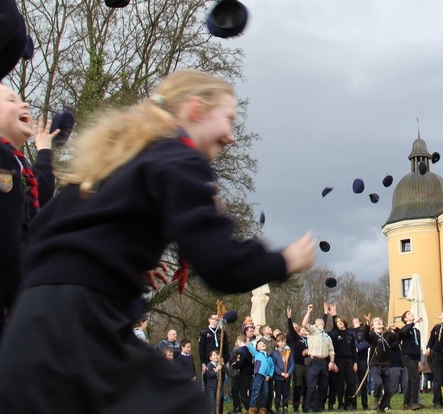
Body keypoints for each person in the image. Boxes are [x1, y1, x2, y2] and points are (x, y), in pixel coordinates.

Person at [0, 70, 317, 413]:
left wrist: (120, 262)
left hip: (28, 332)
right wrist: (284, 261)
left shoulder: (117, 162)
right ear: (196, 110)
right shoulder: (180, 158)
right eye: (227, 119)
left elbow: (45, 228)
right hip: (80, 331)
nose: (230, 136)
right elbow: (221, 265)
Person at [0, 85, 57, 339]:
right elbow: (6, 237)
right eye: (12, 100)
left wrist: (43, 148)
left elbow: (39, 192)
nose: (25, 105)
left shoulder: (16, 162)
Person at [302, 304, 335, 413]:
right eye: (318, 321)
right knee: (311, 386)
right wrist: (309, 312)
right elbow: (304, 324)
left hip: (324, 362)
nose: (321, 321)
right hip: (313, 361)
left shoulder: (326, 336)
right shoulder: (313, 331)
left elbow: (331, 350)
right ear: (315, 323)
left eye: (322, 321)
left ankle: (318, 406)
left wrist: (331, 361)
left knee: (323, 386)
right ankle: (308, 407)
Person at [327, 304, 358, 410]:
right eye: (337, 322)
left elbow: (354, 349)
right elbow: (332, 349)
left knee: (351, 382)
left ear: (344, 322)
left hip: (349, 360)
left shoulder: (350, 333)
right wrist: (333, 362)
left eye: (341, 321)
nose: (339, 323)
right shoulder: (334, 334)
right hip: (339, 360)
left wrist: (355, 362)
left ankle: (349, 403)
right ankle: (340, 403)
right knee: (340, 384)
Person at [367, 317, 399, 413]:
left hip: (386, 365)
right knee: (378, 382)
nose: (379, 322)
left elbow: (400, 336)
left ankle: (382, 407)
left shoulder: (388, 335)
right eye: (376, 321)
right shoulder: (372, 336)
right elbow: (366, 337)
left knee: (390, 390)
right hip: (375, 365)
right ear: (373, 326)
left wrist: (396, 329)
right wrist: (366, 325)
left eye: (380, 321)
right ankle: (376, 397)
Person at [398, 311, 423, 410]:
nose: (411, 314)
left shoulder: (417, 331)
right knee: (416, 378)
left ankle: (406, 403)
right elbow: (403, 333)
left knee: (411, 380)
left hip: (415, 357)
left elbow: (418, 346)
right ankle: (414, 402)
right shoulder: (404, 329)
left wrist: (419, 361)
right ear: (405, 319)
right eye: (408, 314)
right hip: (407, 356)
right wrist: (414, 322)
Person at [286, 308, 308, 413]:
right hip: (299, 365)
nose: (305, 331)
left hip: (310, 365)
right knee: (298, 386)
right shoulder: (297, 339)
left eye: (306, 330)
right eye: (303, 330)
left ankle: (306, 406)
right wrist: (289, 318)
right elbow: (291, 330)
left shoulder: (312, 339)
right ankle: (295, 406)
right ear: (299, 332)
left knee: (308, 386)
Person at [247, 339, 275, 414]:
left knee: (265, 392)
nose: (263, 344)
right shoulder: (257, 354)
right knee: (256, 390)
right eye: (260, 344)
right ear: (257, 348)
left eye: (263, 343)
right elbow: (250, 346)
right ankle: (252, 407)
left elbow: (272, 367)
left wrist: (269, 375)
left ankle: (262, 408)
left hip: (266, 377)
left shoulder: (269, 357)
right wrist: (253, 339)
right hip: (259, 374)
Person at [351, 316, 371, 411]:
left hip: (362, 359)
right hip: (352, 360)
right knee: (352, 382)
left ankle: (365, 404)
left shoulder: (363, 330)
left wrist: (357, 349)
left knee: (363, 382)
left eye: (356, 319)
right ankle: (353, 404)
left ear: (359, 322)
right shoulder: (350, 331)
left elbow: (368, 340)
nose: (354, 319)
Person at [272, 333, 295, 414]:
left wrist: (288, 373)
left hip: (287, 377)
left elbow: (292, 364)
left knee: (286, 393)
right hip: (279, 377)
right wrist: (280, 373)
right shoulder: (274, 353)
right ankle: (278, 407)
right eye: (281, 342)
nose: (283, 344)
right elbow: (274, 365)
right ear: (277, 342)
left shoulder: (288, 352)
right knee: (278, 393)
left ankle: (285, 407)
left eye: (284, 342)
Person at [207, 350, 229, 414]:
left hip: (219, 387)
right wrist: (216, 370)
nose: (216, 356)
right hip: (212, 388)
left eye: (217, 355)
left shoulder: (220, 365)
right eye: (214, 355)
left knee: (218, 402)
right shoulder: (210, 365)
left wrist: (222, 364)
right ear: (210, 358)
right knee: (212, 402)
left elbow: (227, 372)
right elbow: (209, 374)